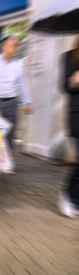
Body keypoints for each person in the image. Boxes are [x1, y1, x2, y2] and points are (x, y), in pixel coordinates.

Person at [0, 36, 33, 172]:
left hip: (12, 102)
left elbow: (23, 84)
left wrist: (27, 101)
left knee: (10, 133)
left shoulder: (18, 65)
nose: (14, 49)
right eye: (11, 46)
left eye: (16, 46)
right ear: (3, 47)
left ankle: (6, 164)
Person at [59, 36, 79, 218]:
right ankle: (68, 196)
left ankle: (75, 198)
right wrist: (75, 80)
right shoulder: (69, 57)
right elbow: (64, 87)